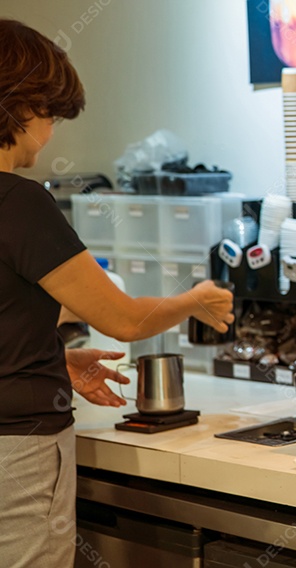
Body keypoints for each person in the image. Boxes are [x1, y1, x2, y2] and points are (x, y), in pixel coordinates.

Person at [0, 19, 234, 567]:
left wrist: (55, 360)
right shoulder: (20, 203)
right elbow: (124, 321)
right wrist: (194, 299)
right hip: (18, 451)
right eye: (51, 115)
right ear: (20, 106)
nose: (52, 132)